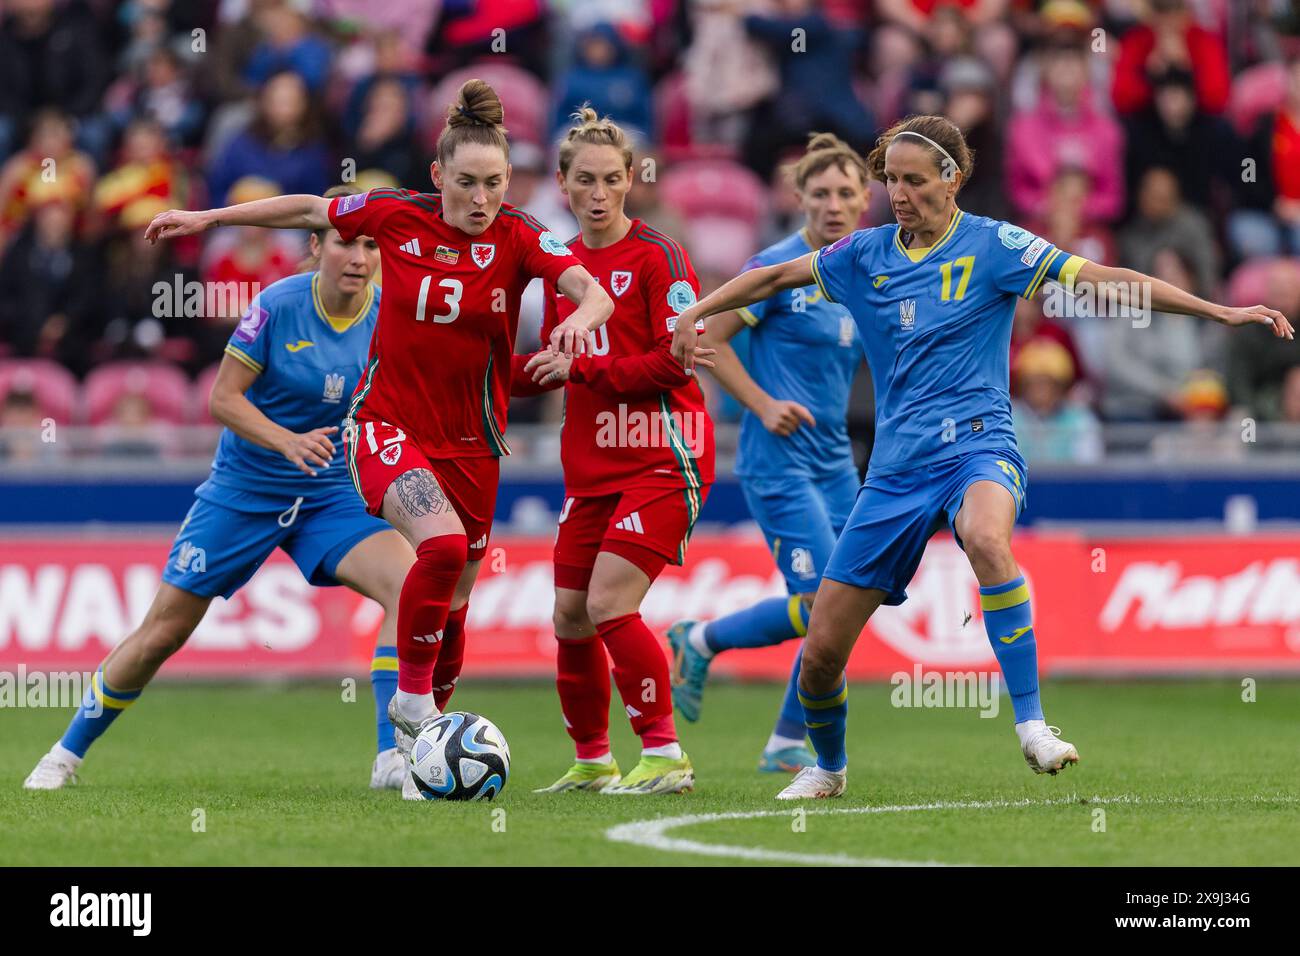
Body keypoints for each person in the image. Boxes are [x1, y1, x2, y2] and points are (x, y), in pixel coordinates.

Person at [670, 114, 1294, 799]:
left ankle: (1031, 724)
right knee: (820, 656)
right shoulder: (863, 255)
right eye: (891, 182)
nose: (898, 195)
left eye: (913, 181)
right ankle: (828, 766)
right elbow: (772, 277)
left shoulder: (996, 245)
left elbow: (1105, 279)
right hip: (895, 472)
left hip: (980, 443)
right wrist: (694, 311)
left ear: (952, 178)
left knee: (986, 537)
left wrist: (1220, 313)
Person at [144, 79, 614, 800]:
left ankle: (419, 756)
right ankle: (413, 705)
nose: (481, 198)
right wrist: (207, 216)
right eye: (466, 183)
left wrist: (581, 319)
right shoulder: (395, 215)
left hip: (474, 443)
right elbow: (307, 207)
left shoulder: (522, 234)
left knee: (455, 603)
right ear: (438, 177)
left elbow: (591, 286)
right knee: (444, 548)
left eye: (494, 182)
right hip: (387, 428)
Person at [24, 186, 418, 792]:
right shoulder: (277, 305)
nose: (359, 257)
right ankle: (64, 754)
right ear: (316, 245)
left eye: (371, 244)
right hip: (247, 487)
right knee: (165, 631)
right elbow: (222, 399)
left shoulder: (390, 317)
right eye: (345, 242)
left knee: (410, 585)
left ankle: (390, 756)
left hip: (331, 490)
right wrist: (285, 440)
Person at [511, 108, 714, 795]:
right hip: (591, 468)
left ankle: (665, 755)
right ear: (562, 186)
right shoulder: (559, 268)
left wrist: (584, 372)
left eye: (611, 179)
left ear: (632, 180)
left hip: (664, 456)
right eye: (583, 181)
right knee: (568, 614)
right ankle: (593, 760)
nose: (598, 193)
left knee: (607, 603)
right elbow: (550, 363)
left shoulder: (659, 257)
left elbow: (674, 366)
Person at [666, 133, 868, 775]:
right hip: (776, 459)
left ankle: (784, 740)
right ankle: (701, 639)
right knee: (819, 602)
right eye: (820, 193)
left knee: (849, 603)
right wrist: (761, 404)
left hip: (836, 462)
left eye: (846, 193)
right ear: (798, 198)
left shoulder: (864, 270)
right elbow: (708, 340)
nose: (833, 204)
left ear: (867, 200)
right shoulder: (777, 268)